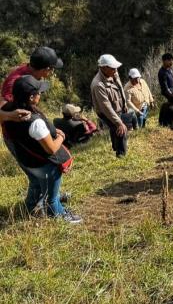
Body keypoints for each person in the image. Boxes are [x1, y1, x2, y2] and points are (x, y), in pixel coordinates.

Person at [1, 76, 81, 223]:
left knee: (35, 183)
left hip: (26, 160)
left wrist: (51, 131)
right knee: (52, 197)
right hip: (45, 166)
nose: (41, 94)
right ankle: (58, 214)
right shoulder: (35, 122)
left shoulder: (9, 110)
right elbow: (51, 149)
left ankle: (30, 207)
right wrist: (61, 137)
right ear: (31, 97)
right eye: (39, 92)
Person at [1, 47, 63, 156]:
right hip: (18, 135)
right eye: (52, 69)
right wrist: (10, 115)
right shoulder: (15, 83)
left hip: (31, 128)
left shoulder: (32, 72)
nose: (52, 72)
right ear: (46, 69)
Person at [91, 54, 129, 158]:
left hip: (117, 106)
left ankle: (115, 147)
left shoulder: (113, 73)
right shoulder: (98, 84)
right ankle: (121, 154)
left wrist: (124, 103)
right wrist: (119, 123)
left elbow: (120, 88)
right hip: (105, 111)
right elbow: (106, 107)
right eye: (112, 68)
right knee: (121, 129)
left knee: (115, 128)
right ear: (104, 68)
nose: (115, 70)